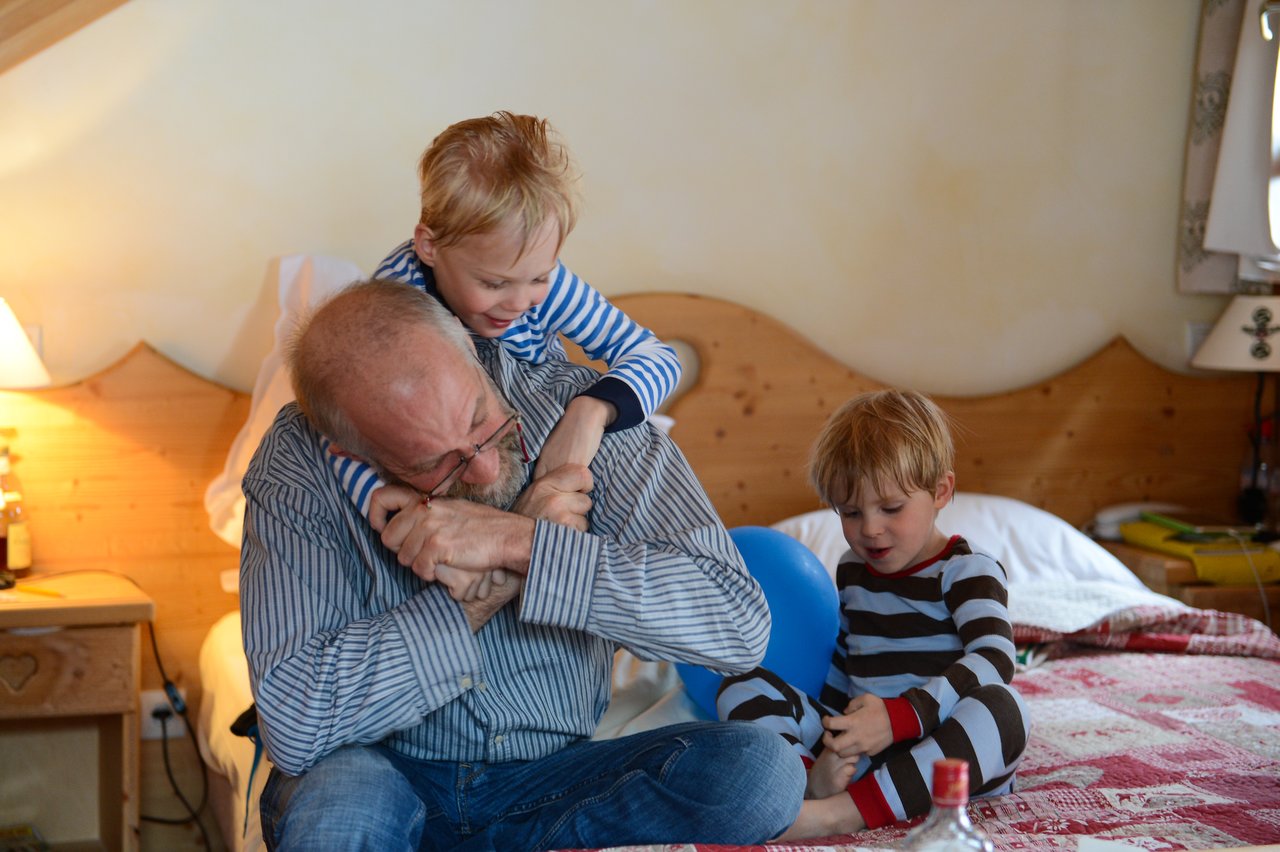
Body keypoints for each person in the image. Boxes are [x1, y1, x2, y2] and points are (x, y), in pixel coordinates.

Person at [239, 279, 803, 851]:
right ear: (352, 453)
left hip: (558, 782)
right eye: (436, 463)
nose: (484, 469)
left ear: (469, 347)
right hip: (382, 775)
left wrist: (521, 542)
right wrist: (483, 593)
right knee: (340, 807)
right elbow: (294, 725)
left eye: (481, 421)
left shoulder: (584, 413)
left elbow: (737, 625)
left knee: (761, 774)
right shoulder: (299, 463)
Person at [328, 110, 681, 517]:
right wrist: (395, 506)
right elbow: (344, 431)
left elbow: (657, 357)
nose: (519, 303)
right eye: (494, 284)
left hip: (542, 456)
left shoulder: (542, 284)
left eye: (539, 277)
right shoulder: (396, 303)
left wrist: (590, 413)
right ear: (430, 247)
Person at [715, 389, 1030, 839]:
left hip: (942, 754)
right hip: (863, 752)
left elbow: (996, 659)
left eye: (891, 508)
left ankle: (838, 814)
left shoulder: (966, 570)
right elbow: (848, 660)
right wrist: (835, 737)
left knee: (1006, 709)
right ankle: (807, 784)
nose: (870, 529)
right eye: (850, 512)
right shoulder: (852, 569)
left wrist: (901, 717)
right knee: (741, 683)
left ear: (941, 491)